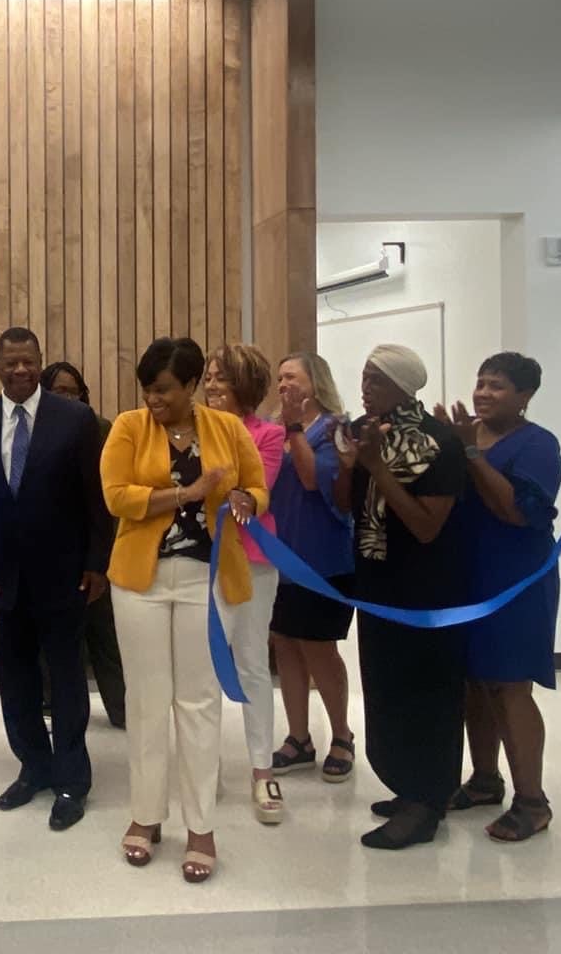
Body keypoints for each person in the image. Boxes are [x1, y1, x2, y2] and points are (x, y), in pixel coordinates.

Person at [102, 337, 269, 884]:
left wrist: (244, 500)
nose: (154, 400)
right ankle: (146, 816)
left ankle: (201, 827)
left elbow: (255, 485)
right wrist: (188, 493)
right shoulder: (129, 427)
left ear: (192, 384)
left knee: (198, 703)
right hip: (140, 582)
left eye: (165, 391)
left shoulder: (228, 428)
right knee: (147, 700)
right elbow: (117, 497)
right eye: (148, 390)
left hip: (208, 579)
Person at [0, 328, 113, 832]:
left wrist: (98, 562)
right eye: (10, 363)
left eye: (28, 362)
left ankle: (72, 780)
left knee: (66, 681)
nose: (19, 371)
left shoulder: (76, 419)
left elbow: (97, 498)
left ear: (39, 362)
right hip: (1, 581)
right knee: (15, 680)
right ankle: (33, 767)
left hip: (65, 577)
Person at [339, 344, 468, 851]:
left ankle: (429, 800)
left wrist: (376, 467)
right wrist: (354, 464)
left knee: (427, 695)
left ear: (403, 386)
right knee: (386, 689)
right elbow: (347, 508)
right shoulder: (370, 434)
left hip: (426, 590)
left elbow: (425, 525)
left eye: (377, 380)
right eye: (364, 377)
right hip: (378, 584)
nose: (366, 387)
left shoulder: (440, 443)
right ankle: (408, 785)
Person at [434, 353, 561, 843]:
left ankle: (533, 800)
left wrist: (469, 455)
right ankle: (485, 779)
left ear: (525, 396)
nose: (484, 393)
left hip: (516, 578)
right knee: (475, 683)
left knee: (510, 686)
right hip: (467, 577)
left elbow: (517, 511)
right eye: (481, 382)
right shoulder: (470, 436)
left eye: (498, 386)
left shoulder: (538, 445)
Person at [201, 343, 288, 824]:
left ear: (246, 385)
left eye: (222, 377)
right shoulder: (195, 427)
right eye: (209, 376)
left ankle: (261, 768)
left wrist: (212, 483)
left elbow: (251, 498)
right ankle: (205, 765)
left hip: (253, 562)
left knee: (252, 663)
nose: (211, 385)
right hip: (205, 565)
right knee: (209, 667)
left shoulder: (268, 435)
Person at [265, 352, 357, 787]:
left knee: (318, 647)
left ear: (315, 382)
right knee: (284, 644)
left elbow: (310, 479)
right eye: (280, 378)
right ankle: (298, 738)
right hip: (279, 557)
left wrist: (294, 425)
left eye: (292, 377)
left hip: (321, 558)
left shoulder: (335, 429)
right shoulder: (273, 426)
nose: (283, 384)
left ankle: (341, 735)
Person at [43, 360, 125, 729]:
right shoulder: (35, 429)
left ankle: (122, 708)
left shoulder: (101, 428)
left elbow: (110, 492)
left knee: (105, 633)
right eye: (56, 391)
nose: (65, 397)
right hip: (53, 550)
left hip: (97, 545)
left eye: (71, 391)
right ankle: (58, 706)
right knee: (59, 639)